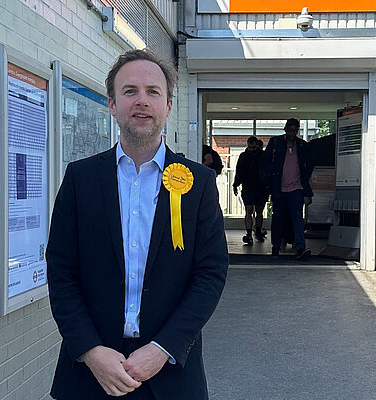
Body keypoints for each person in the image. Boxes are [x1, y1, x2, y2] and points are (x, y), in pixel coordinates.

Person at [46, 49, 229, 400]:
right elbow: (61, 272)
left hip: (171, 374)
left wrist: (163, 348)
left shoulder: (199, 182)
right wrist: (89, 350)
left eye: (153, 92)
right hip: (90, 375)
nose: (141, 101)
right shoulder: (80, 179)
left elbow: (210, 274)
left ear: (169, 106)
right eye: (130, 91)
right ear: (112, 105)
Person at [261, 118, 314, 260]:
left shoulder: (302, 145)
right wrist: (270, 178)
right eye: (290, 130)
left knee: (297, 218)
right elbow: (265, 161)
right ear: (285, 129)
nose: (292, 133)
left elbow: (309, 164)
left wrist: (305, 186)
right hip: (279, 189)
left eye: (295, 130)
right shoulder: (276, 142)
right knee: (277, 219)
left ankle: (300, 248)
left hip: (296, 188)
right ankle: (276, 247)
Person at [233, 136, 268, 244]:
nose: (251, 150)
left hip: (254, 186)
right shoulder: (262, 156)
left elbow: (239, 171)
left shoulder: (245, 156)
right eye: (250, 147)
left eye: (253, 148)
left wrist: (236, 184)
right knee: (255, 211)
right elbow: (238, 171)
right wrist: (235, 184)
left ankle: (252, 233)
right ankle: (254, 232)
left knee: (254, 211)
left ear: (257, 145)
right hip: (256, 187)